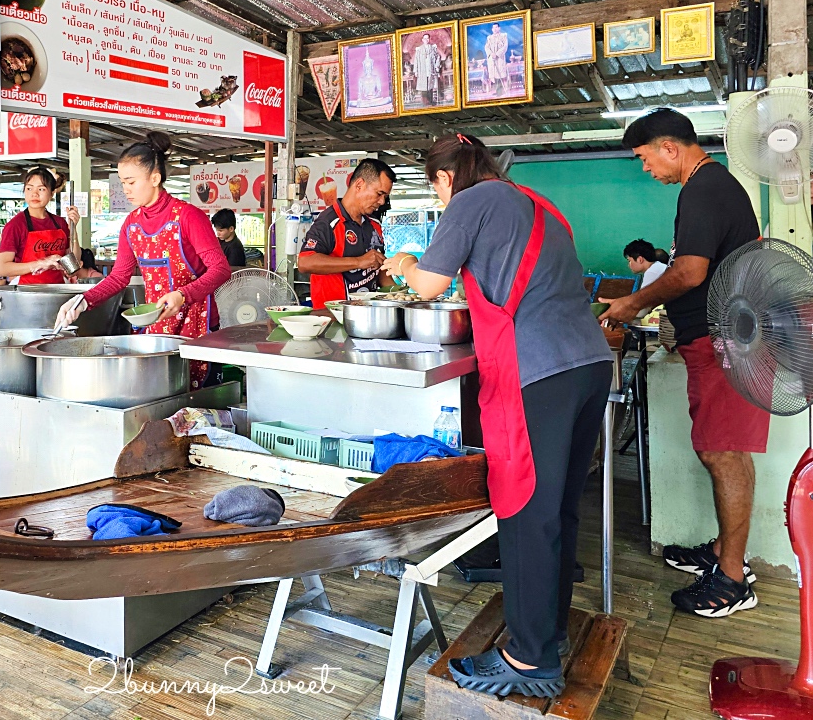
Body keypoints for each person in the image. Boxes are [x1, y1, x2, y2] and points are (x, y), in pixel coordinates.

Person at [381, 134, 612, 698]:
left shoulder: (470, 202)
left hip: (537, 372)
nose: (441, 203)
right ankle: (547, 634)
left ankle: (530, 661)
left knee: (525, 508)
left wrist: (407, 261)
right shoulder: (536, 204)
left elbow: (432, 284)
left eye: (436, 192)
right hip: (588, 364)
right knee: (557, 508)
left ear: (444, 178)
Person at [600, 108, 765, 618]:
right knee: (718, 449)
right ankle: (723, 552)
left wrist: (632, 304)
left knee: (725, 453)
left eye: (645, 158)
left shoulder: (704, 189)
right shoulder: (706, 188)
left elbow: (691, 273)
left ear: (670, 148)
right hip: (714, 342)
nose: (646, 168)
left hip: (729, 344)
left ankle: (734, 579)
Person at [55, 132, 231, 388]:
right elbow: (118, 278)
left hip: (199, 326)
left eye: (131, 182)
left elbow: (221, 269)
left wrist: (183, 295)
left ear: (155, 178)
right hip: (157, 328)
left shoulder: (189, 216)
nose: (125, 189)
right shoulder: (131, 224)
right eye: (122, 182)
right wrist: (84, 301)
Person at [297, 158, 395, 308]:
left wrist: (401, 296)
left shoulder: (374, 224)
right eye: (379, 194)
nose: (382, 202)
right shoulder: (329, 221)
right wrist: (358, 262)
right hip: (334, 315)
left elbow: (378, 268)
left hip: (368, 313)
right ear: (359, 185)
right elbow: (305, 263)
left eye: (385, 197)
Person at [0, 165, 80, 285]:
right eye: (29, 189)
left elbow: (73, 266)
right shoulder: (15, 225)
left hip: (58, 289)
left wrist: (73, 228)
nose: (34, 194)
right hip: (27, 293)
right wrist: (41, 263)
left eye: (41, 189)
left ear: (52, 193)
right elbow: (2, 268)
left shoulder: (60, 223)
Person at [412, 32, 442, 106]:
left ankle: (431, 101)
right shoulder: (419, 50)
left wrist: (436, 66)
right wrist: (415, 70)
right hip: (422, 70)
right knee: (423, 86)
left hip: (430, 70)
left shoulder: (432, 48)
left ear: (429, 40)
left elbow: (437, 57)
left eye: (427, 38)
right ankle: (425, 102)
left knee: (430, 86)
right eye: (425, 38)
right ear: (422, 40)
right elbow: (416, 60)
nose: (426, 40)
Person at [485, 23, 509, 95]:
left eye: (496, 27)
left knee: (500, 74)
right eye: (493, 28)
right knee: (494, 75)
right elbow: (486, 47)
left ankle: (501, 91)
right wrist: (491, 54)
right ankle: (497, 91)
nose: (495, 29)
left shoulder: (503, 36)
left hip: (499, 59)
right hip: (492, 59)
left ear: (499, 28)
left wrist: (497, 54)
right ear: (492, 29)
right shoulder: (489, 38)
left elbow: (505, 46)